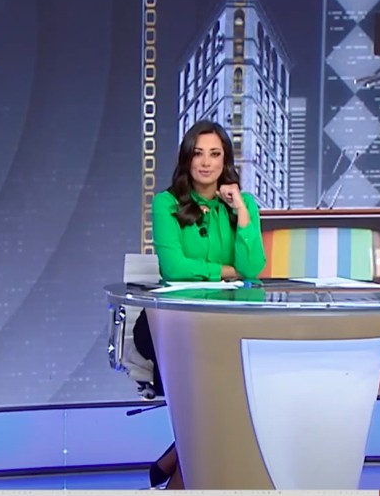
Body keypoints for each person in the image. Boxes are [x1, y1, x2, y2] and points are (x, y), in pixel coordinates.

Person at [134, 120, 267, 488]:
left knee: (230, 386)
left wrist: (241, 212)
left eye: (215, 154)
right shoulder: (166, 203)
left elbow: (253, 266)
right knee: (217, 386)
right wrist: (224, 271)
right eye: (198, 154)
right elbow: (174, 268)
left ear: (225, 161)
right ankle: (180, 461)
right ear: (187, 159)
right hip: (172, 324)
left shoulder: (244, 205)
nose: (206, 163)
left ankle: (178, 456)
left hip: (227, 324)